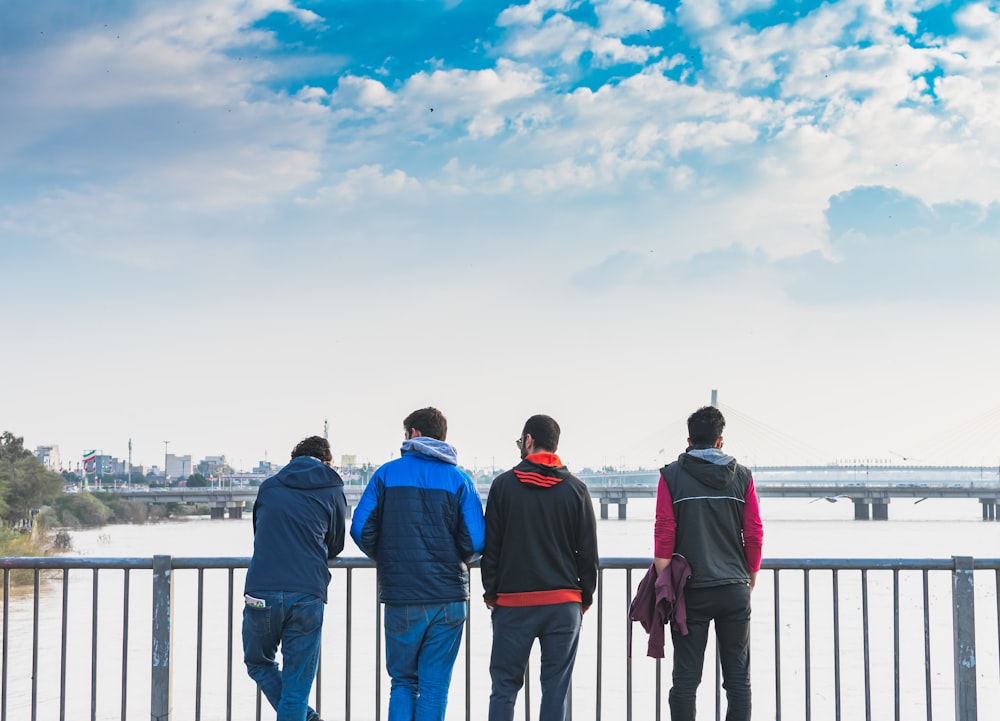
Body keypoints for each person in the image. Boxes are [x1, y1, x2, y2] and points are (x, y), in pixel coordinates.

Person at [350, 407, 485, 721]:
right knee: (435, 687)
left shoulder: (386, 474)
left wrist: (390, 556)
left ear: (413, 433)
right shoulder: (460, 479)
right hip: (449, 596)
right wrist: (455, 559)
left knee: (402, 682)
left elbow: (359, 529)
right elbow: (476, 542)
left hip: (402, 595)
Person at [481, 414, 599, 721]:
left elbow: (491, 550)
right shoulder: (576, 489)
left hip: (513, 602)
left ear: (529, 440)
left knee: (504, 689)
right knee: (555, 690)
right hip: (563, 604)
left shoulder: (503, 486)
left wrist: (492, 595)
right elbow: (588, 554)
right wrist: (582, 598)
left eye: (521, 441)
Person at [654, 405, 764, 721]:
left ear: (689, 440)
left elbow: (664, 530)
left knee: (686, 679)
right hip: (734, 589)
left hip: (690, 592)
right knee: (738, 680)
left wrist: (665, 579)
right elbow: (754, 532)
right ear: (720, 441)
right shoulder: (742, 476)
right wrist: (750, 574)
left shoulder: (671, 476)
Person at [243, 435, 348, 721]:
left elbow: (260, 531)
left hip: (261, 589)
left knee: (258, 662)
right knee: (297, 686)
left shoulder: (269, 486)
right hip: (306, 592)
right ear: (327, 461)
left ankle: (306, 716)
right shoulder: (332, 486)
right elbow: (336, 544)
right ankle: (305, 716)